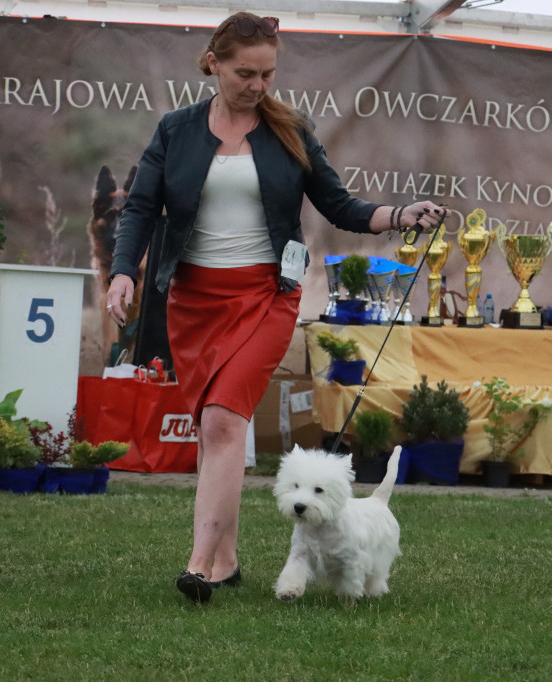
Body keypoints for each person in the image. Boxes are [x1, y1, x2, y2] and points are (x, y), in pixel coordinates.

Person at [106, 11, 445, 603]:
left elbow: (339, 204)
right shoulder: (175, 130)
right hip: (193, 302)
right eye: (246, 73)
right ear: (214, 62)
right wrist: (120, 272)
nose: (258, 86)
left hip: (267, 297)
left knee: (221, 422)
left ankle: (198, 563)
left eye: (268, 74)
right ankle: (229, 560)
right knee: (218, 435)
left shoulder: (290, 129)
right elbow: (139, 209)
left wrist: (398, 215)